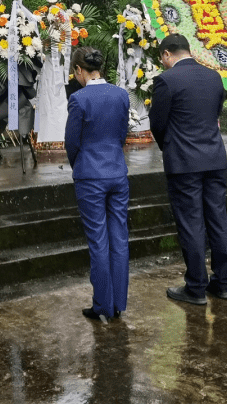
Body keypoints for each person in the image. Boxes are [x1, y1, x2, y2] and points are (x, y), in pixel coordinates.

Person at [148, 33, 227, 305]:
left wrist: (169, 147)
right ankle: (222, 283)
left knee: (191, 223)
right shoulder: (214, 77)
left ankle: (196, 286)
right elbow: (216, 114)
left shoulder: (166, 80)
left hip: (184, 163)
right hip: (215, 158)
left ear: (167, 55)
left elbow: (157, 123)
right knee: (218, 220)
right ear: (189, 50)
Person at [65, 46, 131, 322]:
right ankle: (118, 303)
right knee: (119, 238)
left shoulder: (79, 99)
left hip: (90, 176)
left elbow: (72, 142)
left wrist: (79, 165)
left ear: (79, 70)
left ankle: (101, 303)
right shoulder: (121, 95)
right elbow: (121, 133)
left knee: (98, 241)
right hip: (117, 172)